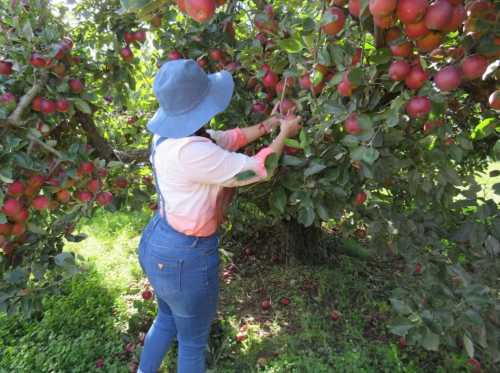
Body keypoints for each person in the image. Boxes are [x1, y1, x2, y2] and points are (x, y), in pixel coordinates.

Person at [137, 59, 301, 373]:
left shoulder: (172, 138)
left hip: (158, 241)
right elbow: (259, 169)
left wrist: (268, 124)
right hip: (185, 257)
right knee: (193, 343)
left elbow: (227, 138)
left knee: (166, 319)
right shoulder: (193, 153)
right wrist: (285, 133)